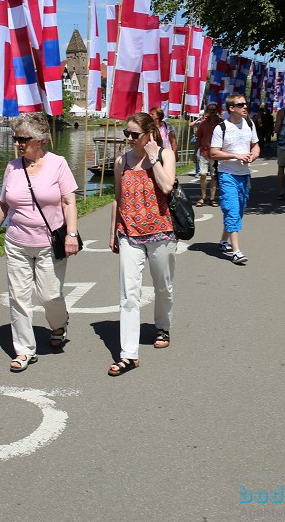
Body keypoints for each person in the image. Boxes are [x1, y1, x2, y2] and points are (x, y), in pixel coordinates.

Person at [0, 113, 80, 372]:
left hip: (49, 242)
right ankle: (25, 350)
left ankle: (59, 324)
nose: (17, 143)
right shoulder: (12, 167)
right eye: (16, 138)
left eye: (23, 138)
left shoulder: (58, 164)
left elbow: (69, 201)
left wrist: (72, 234)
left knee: (50, 295)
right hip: (17, 242)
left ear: (39, 140)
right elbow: (4, 203)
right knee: (18, 297)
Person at [108, 112, 177, 376]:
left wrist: (153, 157)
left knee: (163, 286)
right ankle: (128, 354)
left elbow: (167, 186)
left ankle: (162, 325)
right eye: (126, 133)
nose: (128, 138)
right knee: (128, 294)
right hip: (129, 233)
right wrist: (113, 231)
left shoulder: (165, 155)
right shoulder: (121, 161)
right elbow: (117, 197)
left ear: (149, 133)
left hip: (161, 232)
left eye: (134, 134)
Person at [211, 93, 260, 264]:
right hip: (227, 175)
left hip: (244, 175)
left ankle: (224, 240)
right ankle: (236, 251)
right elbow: (213, 153)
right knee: (232, 210)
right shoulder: (221, 128)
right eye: (240, 105)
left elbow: (255, 145)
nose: (245, 107)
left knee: (238, 211)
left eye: (246, 104)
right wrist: (235, 155)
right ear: (231, 108)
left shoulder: (249, 123)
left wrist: (253, 155)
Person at [192, 103, 221, 207]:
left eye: (214, 109)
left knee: (214, 176)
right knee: (203, 174)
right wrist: (195, 153)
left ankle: (212, 198)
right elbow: (198, 139)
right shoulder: (203, 124)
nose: (212, 111)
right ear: (207, 111)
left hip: (216, 154)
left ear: (217, 110)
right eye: (210, 109)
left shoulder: (221, 123)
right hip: (204, 152)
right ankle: (203, 197)